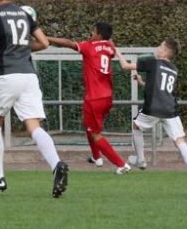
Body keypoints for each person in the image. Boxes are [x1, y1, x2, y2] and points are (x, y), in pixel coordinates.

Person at [0, 0, 69, 197]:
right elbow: (44, 42)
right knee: (33, 126)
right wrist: (21, 48)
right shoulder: (24, 14)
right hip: (28, 75)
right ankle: (56, 164)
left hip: (7, 74)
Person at [47, 22, 134, 174]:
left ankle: (122, 165)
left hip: (94, 97)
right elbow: (111, 44)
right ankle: (96, 157)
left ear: (99, 35)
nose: (91, 34)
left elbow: (67, 43)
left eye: (93, 32)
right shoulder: (110, 48)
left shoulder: (89, 46)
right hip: (107, 96)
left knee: (95, 133)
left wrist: (46, 38)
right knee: (87, 123)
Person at [118, 37, 187, 175]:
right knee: (179, 139)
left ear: (164, 53)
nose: (158, 48)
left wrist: (117, 52)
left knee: (136, 126)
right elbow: (160, 87)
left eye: (160, 47)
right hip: (170, 109)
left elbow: (125, 66)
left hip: (153, 107)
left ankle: (141, 160)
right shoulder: (174, 69)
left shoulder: (152, 62)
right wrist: (142, 82)